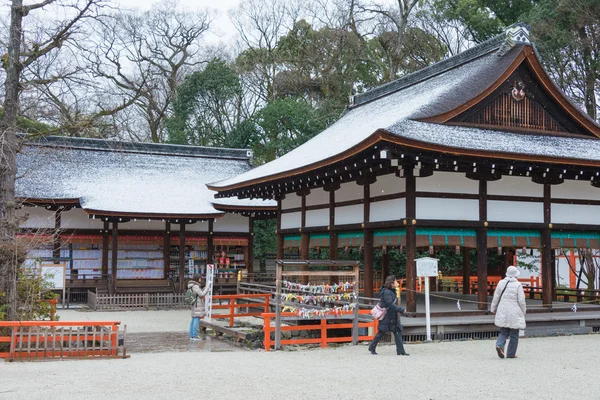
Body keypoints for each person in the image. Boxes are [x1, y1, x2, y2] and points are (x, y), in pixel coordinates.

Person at [490, 265, 526, 359]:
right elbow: (521, 300)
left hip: (503, 308)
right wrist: (523, 311)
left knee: (504, 331)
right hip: (515, 309)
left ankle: (499, 345)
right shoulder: (518, 285)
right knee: (514, 333)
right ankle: (511, 353)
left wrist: (493, 308)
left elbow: (496, 297)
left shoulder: (501, 283)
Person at [368, 275, 409, 356]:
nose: (397, 283)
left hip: (392, 315)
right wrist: (401, 310)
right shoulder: (387, 292)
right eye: (395, 281)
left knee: (397, 332)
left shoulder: (392, 291)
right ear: (392, 283)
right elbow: (390, 304)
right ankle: (372, 347)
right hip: (387, 316)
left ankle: (401, 351)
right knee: (381, 332)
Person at [188, 274, 211, 340]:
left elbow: (199, 292)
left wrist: (205, 287)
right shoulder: (195, 286)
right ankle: (194, 336)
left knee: (193, 320)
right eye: (200, 279)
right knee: (196, 320)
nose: (201, 280)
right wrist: (207, 288)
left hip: (194, 304)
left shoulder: (192, 285)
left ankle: (192, 335)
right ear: (197, 279)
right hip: (197, 305)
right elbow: (201, 294)